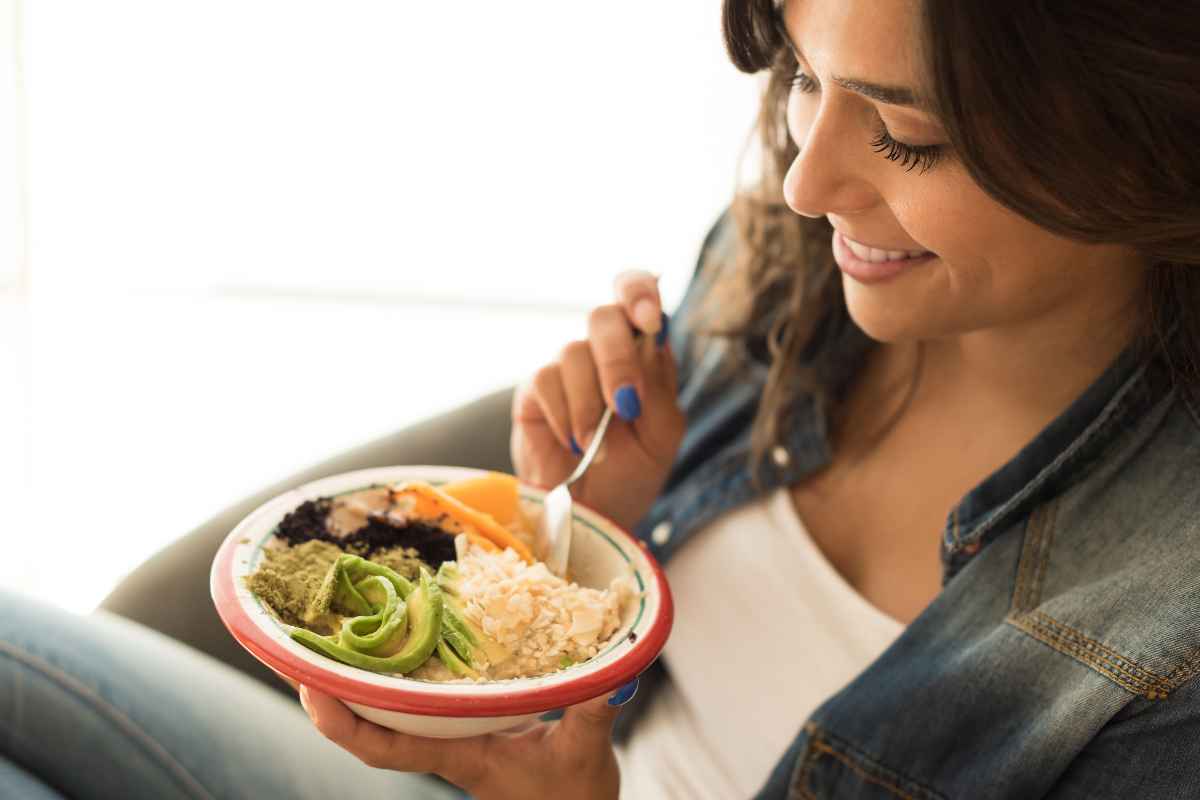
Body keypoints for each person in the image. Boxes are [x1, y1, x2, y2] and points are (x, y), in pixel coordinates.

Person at [4, 0, 1200, 797]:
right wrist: (592, 537)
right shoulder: (800, 276)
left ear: (1147, 143)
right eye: (802, 77)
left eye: (902, 134)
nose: (802, 180)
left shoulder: (1166, 648)